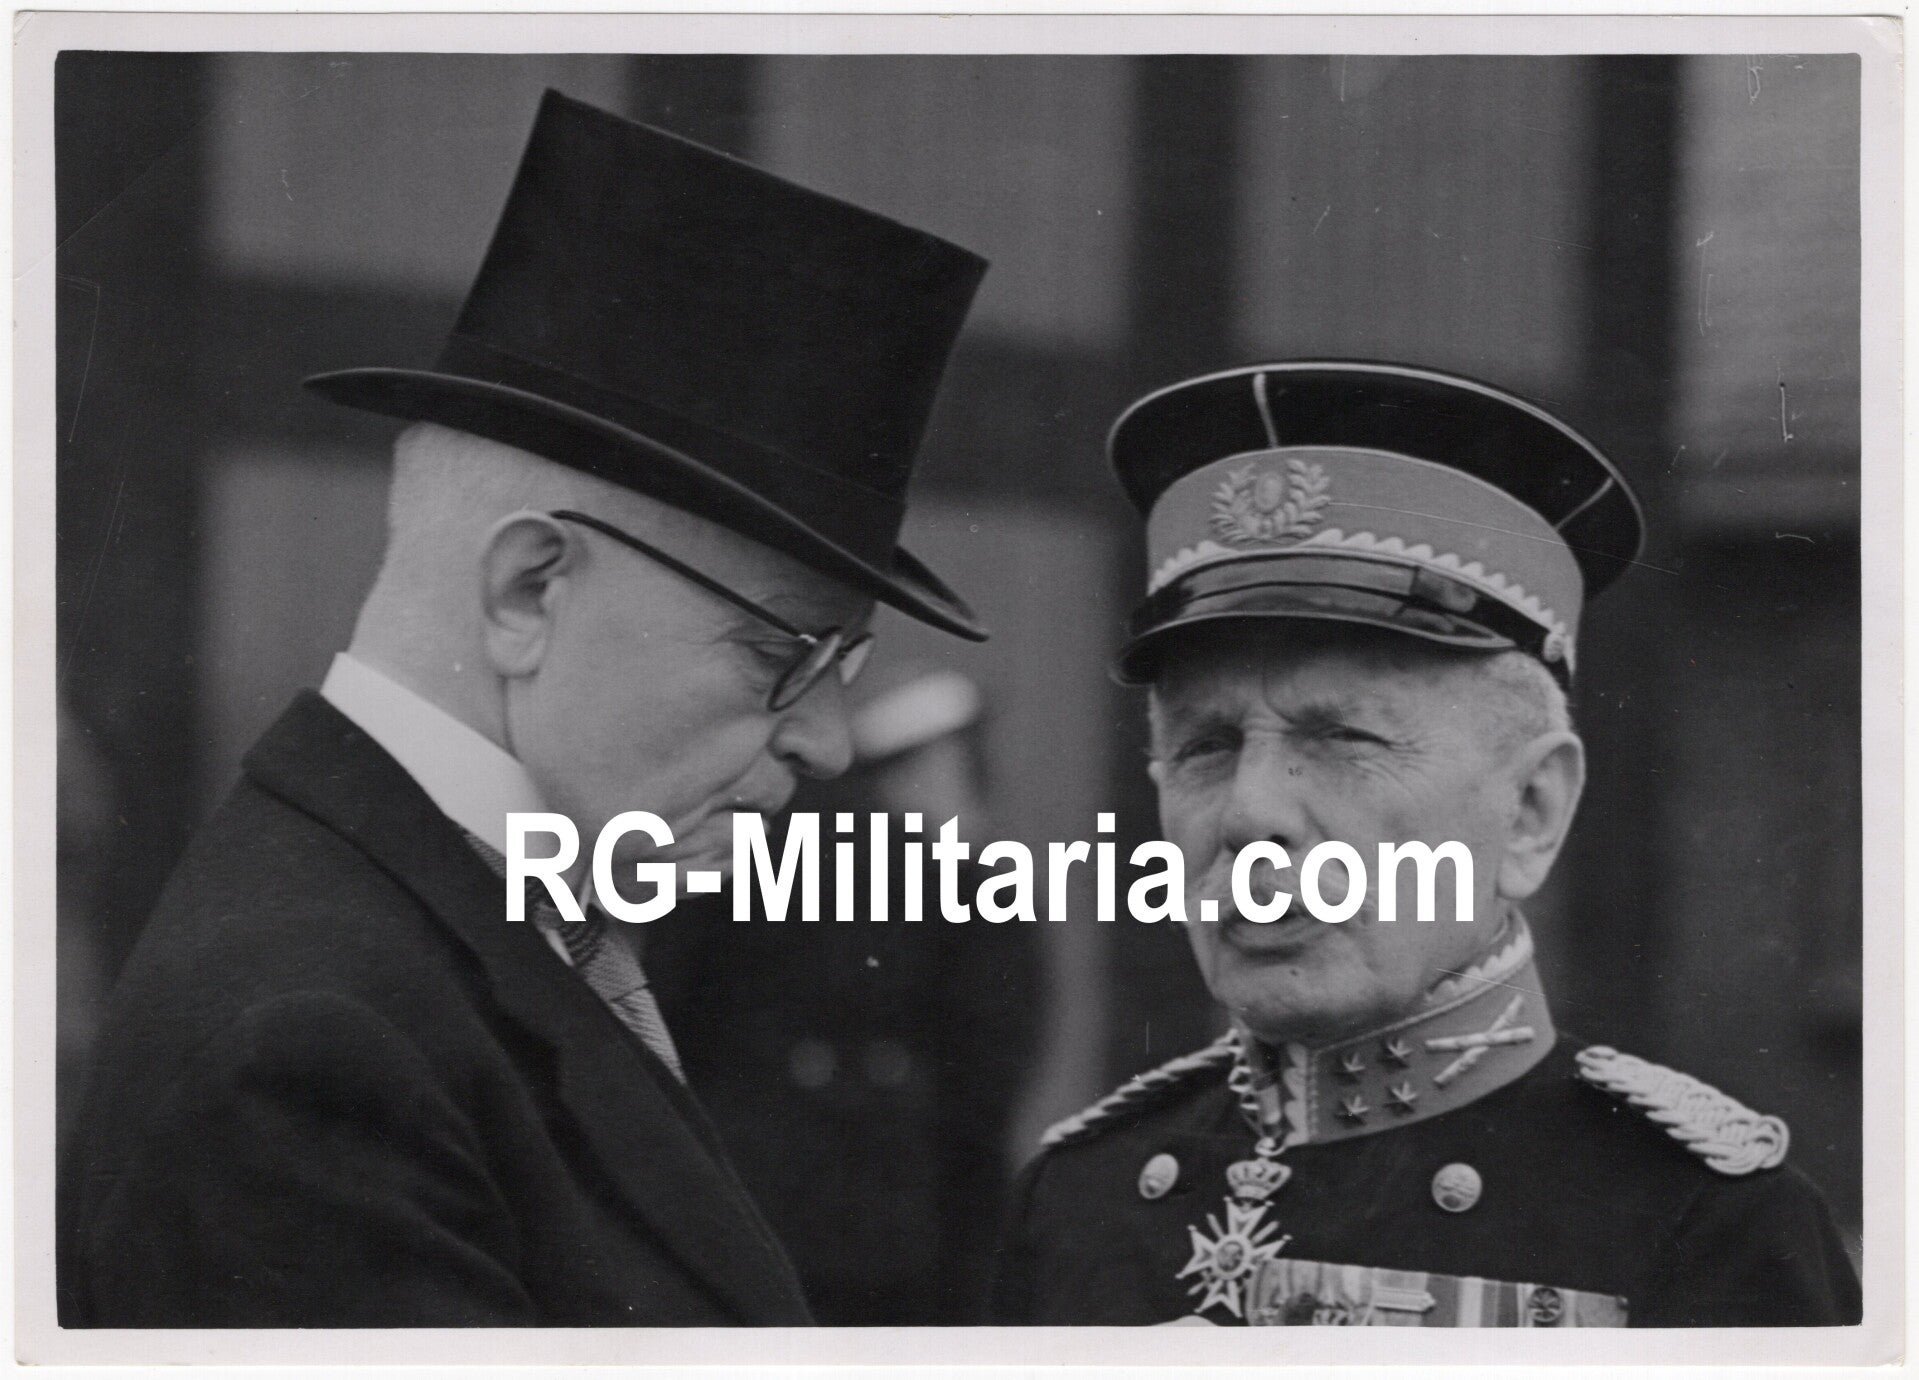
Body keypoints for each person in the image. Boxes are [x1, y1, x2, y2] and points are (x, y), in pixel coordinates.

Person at [58, 90, 989, 1327]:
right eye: (780, 651)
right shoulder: (310, 1048)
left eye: (843, 670)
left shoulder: (434, 945)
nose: (823, 743)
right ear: (527, 588)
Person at [990, 362, 1861, 1328]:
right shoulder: (1077, 1197)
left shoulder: (1701, 1222)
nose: (1247, 815)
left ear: (1530, 810)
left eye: (1344, 740)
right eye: (1206, 745)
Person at [649, 663, 1042, 1324]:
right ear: (918, 770)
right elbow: (993, 1060)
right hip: (910, 1212)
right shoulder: (969, 883)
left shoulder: (736, 855)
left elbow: (669, 1010)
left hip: (750, 1197)